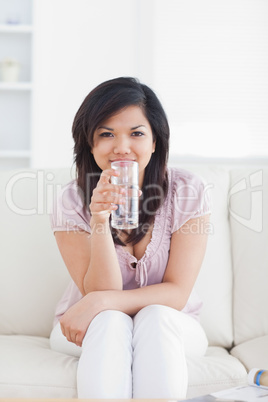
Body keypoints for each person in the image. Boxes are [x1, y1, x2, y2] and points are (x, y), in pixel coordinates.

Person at [49, 76, 211, 399]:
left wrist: (100, 301)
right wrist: (99, 220)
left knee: (156, 315)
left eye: (136, 133)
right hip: (89, 324)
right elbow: (99, 294)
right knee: (110, 322)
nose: (121, 146)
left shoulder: (188, 191)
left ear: (154, 142)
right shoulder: (70, 201)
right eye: (106, 134)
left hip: (172, 323)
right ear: (90, 144)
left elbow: (176, 295)